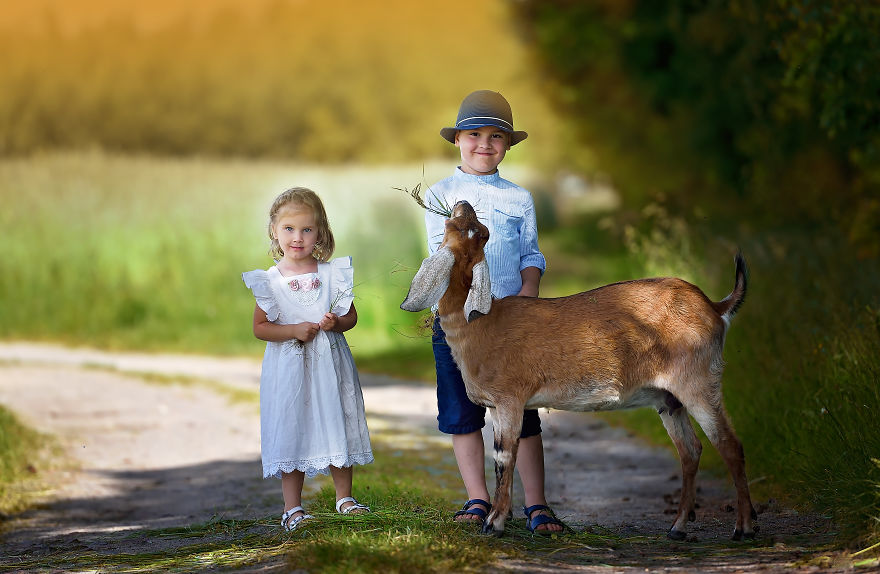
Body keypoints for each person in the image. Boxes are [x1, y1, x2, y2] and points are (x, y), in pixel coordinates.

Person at [424, 90, 564, 534]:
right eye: (475, 135)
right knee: (461, 413)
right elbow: (441, 255)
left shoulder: (519, 197)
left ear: (508, 144)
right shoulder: (440, 195)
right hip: (457, 322)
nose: (484, 144)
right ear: (458, 140)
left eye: (496, 136)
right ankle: (478, 498)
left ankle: (536, 504)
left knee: (521, 414)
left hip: (511, 324)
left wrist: (529, 289)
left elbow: (531, 253)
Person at [242, 187, 373, 532]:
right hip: (290, 367)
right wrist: (293, 330)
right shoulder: (270, 281)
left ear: (320, 232)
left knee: (337, 421)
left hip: (330, 365)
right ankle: (293, 508)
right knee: (292, 427)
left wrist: (336, 323)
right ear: (274, 230)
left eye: (306, 230)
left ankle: (344, 497)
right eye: (288, 229)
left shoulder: (332, 274)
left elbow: (350, 318)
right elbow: (260, 328)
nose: (297, 238)